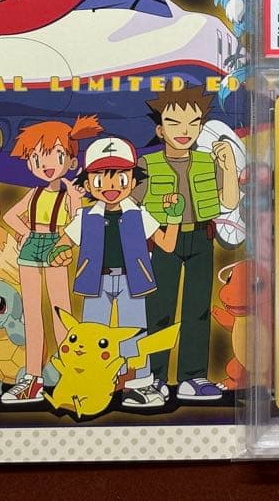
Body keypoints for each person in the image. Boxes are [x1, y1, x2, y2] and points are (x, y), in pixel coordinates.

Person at [49, 136, 182, 408]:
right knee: (92, 335)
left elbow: (167, 245)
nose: (110, 187)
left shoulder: (139, 214)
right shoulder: (86, 217)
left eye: (120, 179)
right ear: (88, 184)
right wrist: (58, 254)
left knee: (134, 333)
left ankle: (139, 384)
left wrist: (174, 217)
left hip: (132, 281)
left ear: (132, 182)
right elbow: (63, 243)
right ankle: (93, 383)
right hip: (95, 282)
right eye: (100, 180)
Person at [136, 87, 239, 401]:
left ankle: (192, 378)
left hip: (201, 238)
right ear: (160, 129)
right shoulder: (147, 164)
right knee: (159, 309)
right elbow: (132, 206)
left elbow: (229, 201)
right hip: (163, 240)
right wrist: (154, 234)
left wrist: (229, 167)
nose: (184, 131)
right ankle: (153, 377)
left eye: (193, 123)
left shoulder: (208, 161)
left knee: (198, 309)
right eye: (174, 123)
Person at [0, 115, 100, 404]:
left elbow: (79, 223)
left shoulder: (70, 194)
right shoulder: (33, 193)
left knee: (61, 313)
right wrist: (25, 234)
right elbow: (10, 216)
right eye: (36, 157)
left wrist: (75, 200)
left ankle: (72, 373)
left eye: (55, 155)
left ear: (71, 161)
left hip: (58, 245)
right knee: (32, 314)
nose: (45, 163)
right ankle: (33, 378)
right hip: (32, 247)